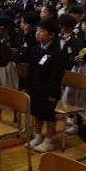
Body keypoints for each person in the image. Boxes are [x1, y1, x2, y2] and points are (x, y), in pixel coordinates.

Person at [26, 19, 68, 153]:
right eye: (37, 30)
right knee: (37, 112)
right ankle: (38, 136)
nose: (37, 33)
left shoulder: (57, 51)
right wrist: (27, 86)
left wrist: (52, 93)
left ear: (52, 34)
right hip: (36, 87)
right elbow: (31, 70)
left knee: (49, 115)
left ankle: (49, 140)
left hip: (49, 89)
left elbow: (57, 75)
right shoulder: (35, 49)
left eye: (42, 31)